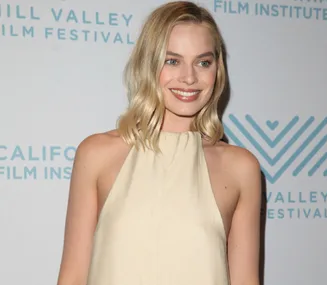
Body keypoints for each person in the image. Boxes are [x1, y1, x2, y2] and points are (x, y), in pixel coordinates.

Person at [57, 1, 261, 285]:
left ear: (218, 69)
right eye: (172, 60)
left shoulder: (241, 167)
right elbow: (72, 277)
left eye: (204, 62)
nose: (189, 77)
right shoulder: (97, 154)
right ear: (148, 63)